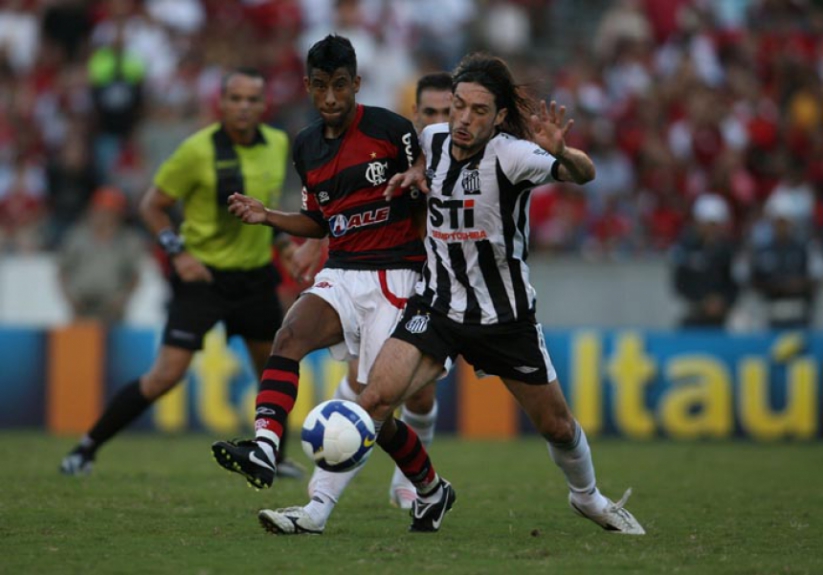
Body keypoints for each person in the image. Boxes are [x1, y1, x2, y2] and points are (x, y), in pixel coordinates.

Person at [311, 53, 641, 535]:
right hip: (437, 306)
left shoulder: (514, 155)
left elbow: (583, 174)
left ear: (500, 116)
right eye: (458, 106)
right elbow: (420, 157)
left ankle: (587, 497)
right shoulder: (434, 138)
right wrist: (415, 172)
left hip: (503, 317)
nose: (463, 119)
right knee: (375, 401)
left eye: (478, 111)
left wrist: (562, 154)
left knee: (557, 427)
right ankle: (318, 511)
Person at [210, 34, 431, 531]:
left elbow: (424, 189)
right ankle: (266, 447)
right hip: (342, 270)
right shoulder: (305, 145)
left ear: (356, 83)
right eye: (319, 88)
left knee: (371, 410)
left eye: (339, 86)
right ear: (307, 87)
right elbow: (320, 221)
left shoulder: (391, 130)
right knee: (288, 336)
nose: (330, 98)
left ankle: (432, 490)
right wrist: (267, 215)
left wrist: (416, 181)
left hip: (394, 275)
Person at [60, 67, 303, 478]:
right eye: (236, 99)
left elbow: (269, 204)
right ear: (221, 103)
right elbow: (151, 204)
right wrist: (179, 255)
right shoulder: (196, 150)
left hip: (255, 277)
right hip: (202, 280)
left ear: (264, 105)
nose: (244, 107)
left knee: (273, 370)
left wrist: (284, 247)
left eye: (252, 100)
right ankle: (86, 448)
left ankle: (274, 459)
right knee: (164, 376)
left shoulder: (278, 144)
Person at [289, 71, 454, 510]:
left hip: (445, 290)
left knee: (408, 394)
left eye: (448, 111)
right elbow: (347, 202)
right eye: (431, 112)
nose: (441, 120)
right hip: (387, 279)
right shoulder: (395, 147)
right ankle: (329, 497)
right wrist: (313, 241)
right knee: (371, 387)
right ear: (416, 114)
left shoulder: (467, 159)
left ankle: (410, 479)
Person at [57, 186, 144, 323]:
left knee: (112, 344)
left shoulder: (128, 240)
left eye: (109, 211)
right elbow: (63, 271)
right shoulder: (77, 237)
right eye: (100, 210)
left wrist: (122, 300)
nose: (103, 215)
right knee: (81, 343)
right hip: (81, 306)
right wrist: (69, 298)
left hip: (112, 310)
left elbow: (135, 276)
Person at [748, 192, 823, 329]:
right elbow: (753, 280)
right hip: (769, 308)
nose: (780, 226)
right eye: (777, 222)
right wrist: (775, 285)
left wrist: (800, 283)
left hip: (798, 308)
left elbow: (815, 278)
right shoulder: (762, 250)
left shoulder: (804, 248)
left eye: (784, 222)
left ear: (791, 223)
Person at [671, 193, 739, 328]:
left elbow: (735, 283)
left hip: (723, 318)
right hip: (694, 316)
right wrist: (702, 301)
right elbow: (680, 283)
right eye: (708, 224)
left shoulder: (729, 251)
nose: (711, 229)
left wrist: (722, 301)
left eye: (715, 224)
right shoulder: (686, 249)